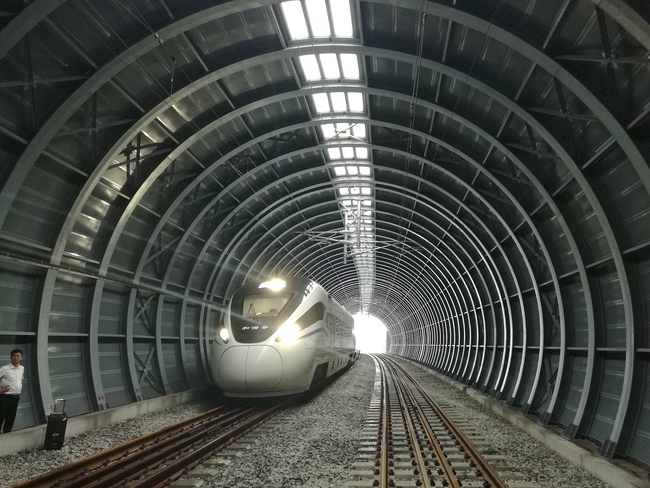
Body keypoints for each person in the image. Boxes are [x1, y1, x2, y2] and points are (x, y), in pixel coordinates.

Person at [0, 349, 24, 433]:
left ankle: (7, 437)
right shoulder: (4, 369)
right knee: (1, 416)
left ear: (21, 358)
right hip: (5, 397)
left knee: (11, 418)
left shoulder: (22, 368)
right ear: (10, 357)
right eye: (14, 355)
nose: (16, 357)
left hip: (16, 397)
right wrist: (1, 389)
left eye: (18, 356)